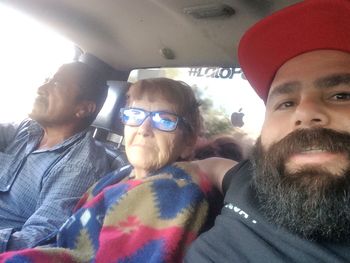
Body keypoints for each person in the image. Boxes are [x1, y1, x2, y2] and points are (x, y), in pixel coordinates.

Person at [0, 78, 234, 262]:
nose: (144, 128)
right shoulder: (119, 177)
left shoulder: (171, 193)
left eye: (164, 119)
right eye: (135, 115)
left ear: (188, 142)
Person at [185, 0, 350, 262]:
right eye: (286, 103)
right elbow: (211, 167)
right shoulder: (254, 177)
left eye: (341, 95)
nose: (304, 113)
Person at [0, 61, 110, 252]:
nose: (42, 88)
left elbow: (38, 238)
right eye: (47, 80)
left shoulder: (80, 165)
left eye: (57, 84)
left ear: (83, 109)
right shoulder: (27, 129)